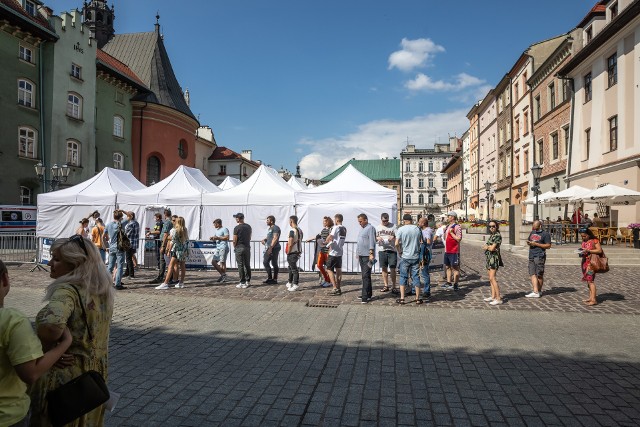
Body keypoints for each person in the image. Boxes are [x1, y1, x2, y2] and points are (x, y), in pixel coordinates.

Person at [29, 235, 114, 426]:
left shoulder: (67, 290)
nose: (50, 263)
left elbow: (51, 326)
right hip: (94, 378)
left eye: (57, 259)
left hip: (65, 379)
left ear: (75, 264)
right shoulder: (101, 290)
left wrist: (49, 349)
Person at [0, 259, 73, 427]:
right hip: (7, 415)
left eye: (57, 258)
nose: (51, 263)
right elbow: (30, 373)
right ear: (5, 279)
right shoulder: (12, 321)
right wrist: (64, 344)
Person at [394, 214, 422, 304]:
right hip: (415, 256)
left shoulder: (401, 229)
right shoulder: (417, 229)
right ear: (411, 220)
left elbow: (396, 243)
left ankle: (402, 298)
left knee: (403, 277)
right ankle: (417, 298)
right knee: (416, 277)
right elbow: (421, 241)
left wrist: (399, 251)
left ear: (404, 221)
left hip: (405, 256)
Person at [157, 217, 189, 289]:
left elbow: (172, 241)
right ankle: (181, 282)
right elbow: (186, 240)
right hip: (183, 249)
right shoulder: (185, 229)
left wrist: (168, 250)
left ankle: (165, 283)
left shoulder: (175, 230)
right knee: (182, 266)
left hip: (176, 249)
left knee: (171, 266)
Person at [525, 219, 552, 298]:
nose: (534, 228)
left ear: (540, 226)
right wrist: (529, 243)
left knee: (539, 274)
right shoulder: (532, 232)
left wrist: (536, 244)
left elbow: (548, 246)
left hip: (540, 255)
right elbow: (529, 240)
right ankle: (535, 291)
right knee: (532, 273)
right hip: (531, 255)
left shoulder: (545, 234)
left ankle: (538, 291)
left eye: (536, 227)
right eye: (533, 226)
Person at [579, 227, 603, 306]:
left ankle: (594, 300)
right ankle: (591, 297)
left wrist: (589, 250)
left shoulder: (594, 241)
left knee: (590, 280)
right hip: (584, 262)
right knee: (588, 280)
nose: (583, 238)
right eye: (582, 236)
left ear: (589, 234)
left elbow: (599, 250)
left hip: (591, 263)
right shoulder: (584, 241)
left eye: (584, 236)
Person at [102, 210, 126, 290]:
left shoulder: (108, 224)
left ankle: (106, 282)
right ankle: (117, 283)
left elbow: (103, 237)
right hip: (119, 246)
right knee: (120, 266)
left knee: (110, 266)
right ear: (120, 217)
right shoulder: (121, 224)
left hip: (111, 246)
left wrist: (105, 246)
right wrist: (123, 211)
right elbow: (130, 216)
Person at [356, 213, 376, 303]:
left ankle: (365, 296)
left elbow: (372, 240)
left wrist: (371, 253)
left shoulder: (370, 228)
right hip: (361, 255)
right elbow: (359, 241)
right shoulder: (362, 229)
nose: (359, 223)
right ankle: (368, 294)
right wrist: (357, 253)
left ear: (365, 220)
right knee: (366, 275)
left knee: (365, 275)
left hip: (367, 256)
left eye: (360, 221)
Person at [482, 220, 503, 305]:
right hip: (489, 258)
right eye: (490, 226)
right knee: (490, 278)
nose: (491, 228)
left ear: (496, 226)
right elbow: (485, 246)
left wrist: (488, 247)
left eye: (493, 226)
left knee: (492, 278)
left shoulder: (497, 235)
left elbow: (491, 248)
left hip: (494, 258)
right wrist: (488, 247)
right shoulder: (492, 235)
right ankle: (493, 296)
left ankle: (498, 298)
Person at [376, 213, 398, 293]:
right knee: (384, 268)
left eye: (387, 220)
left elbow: (398, 236)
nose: (385, 222)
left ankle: (394, 286)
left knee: (392, 268)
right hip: (382, 250)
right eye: (384, 221)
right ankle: (386, 285)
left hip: (392, 250)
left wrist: (393, 237)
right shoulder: (378, 227)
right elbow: (374, 237)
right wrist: (377, 238)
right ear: (381, 219)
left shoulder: (393, 226)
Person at [308, 216, 332, 288]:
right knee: (319, 265)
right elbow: (319, 236)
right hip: (322, 250)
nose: (323, 223)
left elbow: (331, 239)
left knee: (328, 267)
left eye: (324, 221)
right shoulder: (323, 230)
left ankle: (328, 280)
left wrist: (329, 248)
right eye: (323, 221)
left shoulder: (331, 229)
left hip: (327, 251)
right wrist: (310, 239)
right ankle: (326, 279)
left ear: (328, 222)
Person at [325, 214, 347, 296]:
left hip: (333, 252)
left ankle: (334, 288)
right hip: (340, 252)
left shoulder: (336, 227)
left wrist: (325, 242)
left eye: (335, 219)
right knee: (338, 270)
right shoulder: (344, 228)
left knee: (329, 269)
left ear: (337, 220)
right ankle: (338, 287)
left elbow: (330, 237)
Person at [150, 209, 173, 284]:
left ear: (165, 215)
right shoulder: (171, 221)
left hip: (165, 243)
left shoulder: (167, 222)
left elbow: (165, 234)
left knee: (162, 260)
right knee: (168, 261)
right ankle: (169, 277)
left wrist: (163, 246)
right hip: (167, 242)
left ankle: (162, 277)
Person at [443, 212, 462, 291]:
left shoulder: (457, 227)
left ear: (453, 217)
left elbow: (459, 239)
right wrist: (445, 232)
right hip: (447, 250)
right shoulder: (448, 226)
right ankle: (448, 282)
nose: (447, 217)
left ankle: (456, 284)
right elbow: (445, 238)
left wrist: (451, 233)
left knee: (455, 268)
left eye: (449, 216)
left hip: (454, 250)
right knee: (447, 266)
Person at [233, 213, 252, 289]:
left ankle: (242, 282)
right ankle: (248, 281)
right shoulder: (248, 226)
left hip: (239, 247)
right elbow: (250, 237)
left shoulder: (237, 228)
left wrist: (235, 247)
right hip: (247, 247)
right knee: (247, 264)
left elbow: (234, 240)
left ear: (238, 219)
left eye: (236, 218)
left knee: (240, 265)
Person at [285, 215, 303, 291]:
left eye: (289, 221)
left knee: (294, 269)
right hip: (298, 251)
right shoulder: (300, 230)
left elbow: (290, 242)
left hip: (292, 252)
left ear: (291, 221)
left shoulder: (292, 231)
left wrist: (288, 251)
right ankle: (290, 282)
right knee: (291, 268)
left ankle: (295, 284)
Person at [261, 216, 281, 285]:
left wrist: (271, 248)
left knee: (272, 263)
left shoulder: (275, 228)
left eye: (267, 220)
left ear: (271, 221)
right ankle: (270, 278)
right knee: (266, 262)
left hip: (274, 248)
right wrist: (265, 239)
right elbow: (270, 236)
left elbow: (275, 238)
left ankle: (274, 279)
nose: (266, 221)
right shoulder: (270, 228)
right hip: (270, 247)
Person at [417, 217, 433, 301]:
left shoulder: (427, 230)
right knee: (418, 272)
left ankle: (427, 291)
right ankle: (415, 289)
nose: (418, 223)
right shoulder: (422, 230)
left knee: (424, 273)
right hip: (421, 253)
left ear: (423, 223)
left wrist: (422, 241)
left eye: (419, 222)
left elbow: (429, 241)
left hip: (425, 254)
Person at [210, 218, 230, 283]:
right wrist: (213, 238)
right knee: (213, 262)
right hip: (218, 248)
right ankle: (223, 275)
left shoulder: (224, 229)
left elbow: (227, 237)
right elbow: (216, 237)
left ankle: (223, 276)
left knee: (222, 262)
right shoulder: (217, 230)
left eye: (214, 224)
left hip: (223, 247)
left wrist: (217, 238)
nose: (214, 226)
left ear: (218, 224)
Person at [123, 211, 140, 279]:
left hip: (129, 243)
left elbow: (127, 234)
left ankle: (131, 274)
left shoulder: (130, 224)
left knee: (128, 259)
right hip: (134, 243)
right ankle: (127, 272)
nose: (127, 217)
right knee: (129, 258)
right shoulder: (136, 223)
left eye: (127, 216)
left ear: (131, 216)